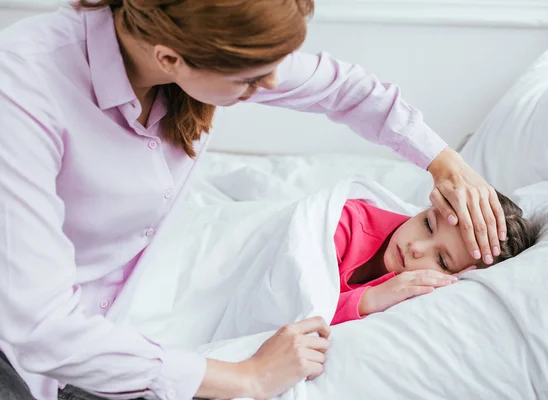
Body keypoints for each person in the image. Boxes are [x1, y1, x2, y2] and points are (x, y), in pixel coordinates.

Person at [0, 0, 507, 399]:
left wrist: (448, 165)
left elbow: (348, 91)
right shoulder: (24, 89)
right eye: (249, 79)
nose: (269, 85)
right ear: (170, 58)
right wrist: (245, 377)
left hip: (123, 316)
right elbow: (43, 327)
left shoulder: (191, 50)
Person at [331, 192, 539, 325]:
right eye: (428, 224)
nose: (416, 247)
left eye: (442, 261)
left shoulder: (424, 301)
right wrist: (368, 299)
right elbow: (301, 310)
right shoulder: (342, 225)